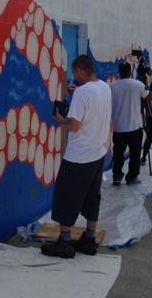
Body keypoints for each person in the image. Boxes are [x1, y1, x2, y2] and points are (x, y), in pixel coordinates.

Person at [42, 55, 112, 259]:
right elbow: (93, 108)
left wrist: (60, 120)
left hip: (78, 156)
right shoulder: (104, 87)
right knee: (92, 196)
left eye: (75, 73)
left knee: (66, 198)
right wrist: (78, 94)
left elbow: (74, 125)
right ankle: (89, 239)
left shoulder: (82, 93)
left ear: (81, 69)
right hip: (98, 152)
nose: (74, 77)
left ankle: (64, 242)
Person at [109, 62, 149, 185]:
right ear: (130, 70)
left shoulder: (112, 86)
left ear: (119, 71)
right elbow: (149, 97)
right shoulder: (138, 84)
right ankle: (132, 177)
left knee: (118, 154)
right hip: (135, 126)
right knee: (135, 153)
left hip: (118, 127)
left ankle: (117, 176)